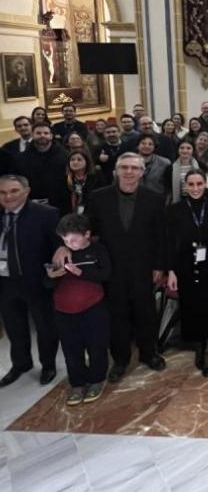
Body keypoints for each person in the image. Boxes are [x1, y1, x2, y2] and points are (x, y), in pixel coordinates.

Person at [56, 153, 167, 383]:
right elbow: (84, 227)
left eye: (134, 168)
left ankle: (149, 353)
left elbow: (160, 235)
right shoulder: (99, 197)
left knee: (146, 312)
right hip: (111, 267)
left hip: (144, 267)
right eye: (124, 167)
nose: (129, 172)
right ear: (116, 171)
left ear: (142, 171)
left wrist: (159, 266)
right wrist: (63, 245)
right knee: (117, 315)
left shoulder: (154, 198)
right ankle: (121, 359)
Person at [166, 170, 208, 377]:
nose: (195, 188)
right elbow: (171, 242)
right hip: (184, 260)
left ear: (205, 185)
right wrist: (172, 271)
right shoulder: (174, 210)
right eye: (191, 184)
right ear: (185, 186)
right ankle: (198, 346)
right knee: (191, 303)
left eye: (199, 184)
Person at [0, 175, 60, 387]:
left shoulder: (46, 214)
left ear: (26, 191)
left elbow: (57, 249)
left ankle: (48, 365)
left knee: (45, 327)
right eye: (3, 192)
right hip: (5, 282)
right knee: (14, 327)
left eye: (14, 191)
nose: (8, 196)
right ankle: (21, 364)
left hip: (36, 281)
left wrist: (51, 277)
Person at [46, 214, 111, 405]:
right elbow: (46, 283)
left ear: (87, 235)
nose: (70, 243)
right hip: (64, 309)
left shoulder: (98, 250)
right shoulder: (60, 253)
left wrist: (81, 272)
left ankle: (97, 379)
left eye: (74, 239)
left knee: (96, 345)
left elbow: (106, 274)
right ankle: (77, 383)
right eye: (65, 240)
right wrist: (53, 276)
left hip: (92, 306)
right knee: (71, 348)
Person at [15, 122, 68, 204]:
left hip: (59, 203)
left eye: (46, 133)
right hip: (30, 203)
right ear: (32, 135)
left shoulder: (65, 156)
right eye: (38, 133)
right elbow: (18, 182)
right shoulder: (20, 158)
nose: (42, 135)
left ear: (51, 136)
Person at [53, 151, 105, 215]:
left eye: (79, 159)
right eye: (72, 160)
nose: (75, 162)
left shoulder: (96, 178)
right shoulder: (63, 180)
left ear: (87, 162)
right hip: (68, 216)